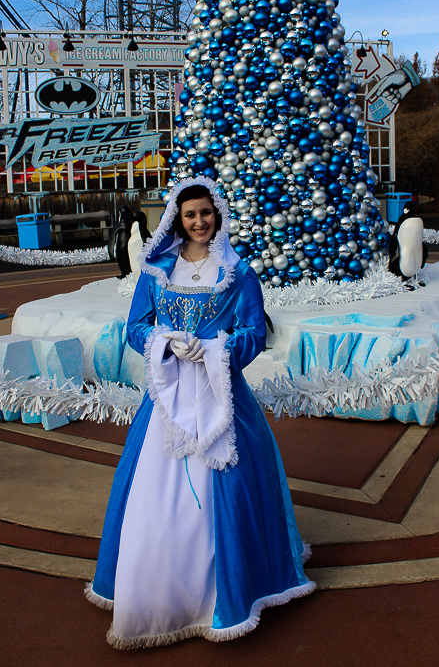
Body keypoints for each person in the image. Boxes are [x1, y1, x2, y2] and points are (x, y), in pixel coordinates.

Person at [85, 176, 315, 649]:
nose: (198, 223)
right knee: (152, 490)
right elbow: (136, 328)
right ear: (177, 218)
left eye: (205, 214)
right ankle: (160, 591)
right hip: (166, 400)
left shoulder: (239, 272)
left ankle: (228, 590)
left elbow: (254, 332)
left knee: (236, 486)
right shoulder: (156, 270)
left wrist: (215, 349)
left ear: (218, 215)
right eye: (190, 215)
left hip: (222, 395)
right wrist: (165, 344)